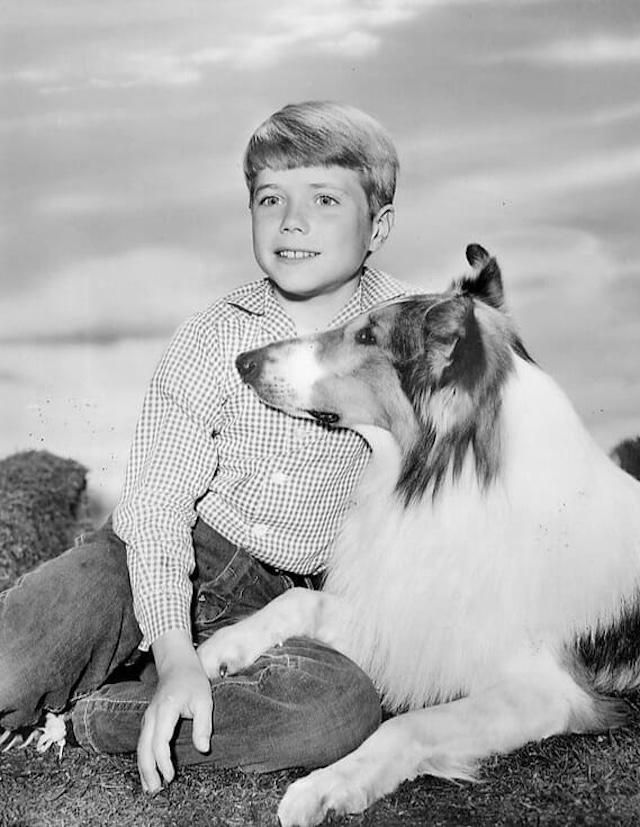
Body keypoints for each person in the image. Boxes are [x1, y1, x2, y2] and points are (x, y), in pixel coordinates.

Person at [0, 101, 414, 793]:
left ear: (380, 225)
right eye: (271, 198)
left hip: (295, 600)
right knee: (15, 658)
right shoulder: (211, 335)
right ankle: (142, 667)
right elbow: (157, 506)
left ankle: (82, 718)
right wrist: (175, 651)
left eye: (325, 199)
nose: (292, 221)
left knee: (336, 712)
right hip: (164, 550)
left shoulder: (408, 334)